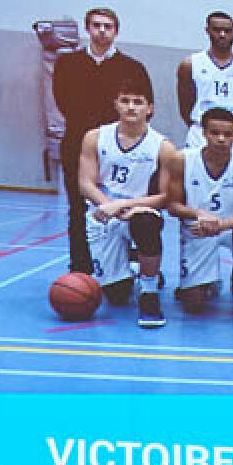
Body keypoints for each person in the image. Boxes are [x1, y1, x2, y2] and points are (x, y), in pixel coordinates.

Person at [52, 7, 154, 276]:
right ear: (88, 29)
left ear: (116, 32)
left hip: (119, 148)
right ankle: (80, 268)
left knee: (124, 204)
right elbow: (61, 100)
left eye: (108, 26)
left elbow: (145, 107)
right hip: (76, 144)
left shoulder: (132, 68)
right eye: (96, 25)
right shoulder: (67, 64)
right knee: (78, 207)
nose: (101, 31)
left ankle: (129, 264)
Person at [78, 74, 173, 329]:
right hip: (102, 212)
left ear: (149, 108)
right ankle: (135, 263)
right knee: (117, 296)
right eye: (125, 101)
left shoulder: (163, 146)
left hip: (139, 209)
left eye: (138, 102)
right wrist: (107, 205)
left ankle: (149, 293)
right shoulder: (94, 137)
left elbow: (166, 196)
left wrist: (121, 206)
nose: (131, 107)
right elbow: (85, 183)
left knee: (146, 224)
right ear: (116, 104)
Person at [166, 107, 233, 331]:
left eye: (227, 134)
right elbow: (172, 205)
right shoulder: (182, 160)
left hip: (231, 227)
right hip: (198, 229)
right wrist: (198, 214)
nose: (221, 139)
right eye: (214, 133)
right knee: (193, 305)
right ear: (204, 133)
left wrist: (220, 225)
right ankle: (208, 281)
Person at [176, 11, 233, 149]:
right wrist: (201, 127)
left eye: (227, 31)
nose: (222, 34)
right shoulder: (190, 64)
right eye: (217, 30)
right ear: (207, 31)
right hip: (201, 133)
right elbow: (185, 107)